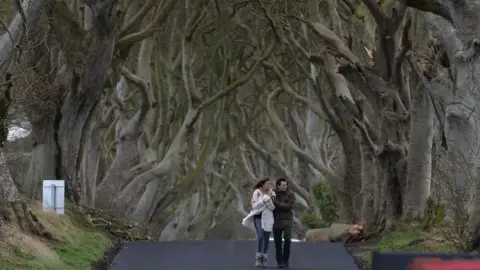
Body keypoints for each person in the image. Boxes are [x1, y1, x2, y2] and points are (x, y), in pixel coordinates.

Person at [241, 178, 276, 268]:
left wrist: (269, 198)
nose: (269, 186)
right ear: (262, 185)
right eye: (267, 184)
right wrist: (265, 199)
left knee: (267, 239)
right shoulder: (257, 192)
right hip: (258, 217)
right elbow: (255, 206)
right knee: (260, 236)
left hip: (268, 219)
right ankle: (258, 258)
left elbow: (272, 207)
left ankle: (264, 259)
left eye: (270, 184)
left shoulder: (272, 194)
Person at [272, 178, 295, 268]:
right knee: (278, 242)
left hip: (287, 219)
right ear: (278, 186)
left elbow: (289, 206)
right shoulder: (273, 193)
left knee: (288, 238)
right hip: (276, 220)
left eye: (286, 185)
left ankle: (286, 259)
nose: (285, 187)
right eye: (283, 185)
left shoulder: (290, 194)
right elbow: (270, 203)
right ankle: (279, 260)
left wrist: (277, 204)